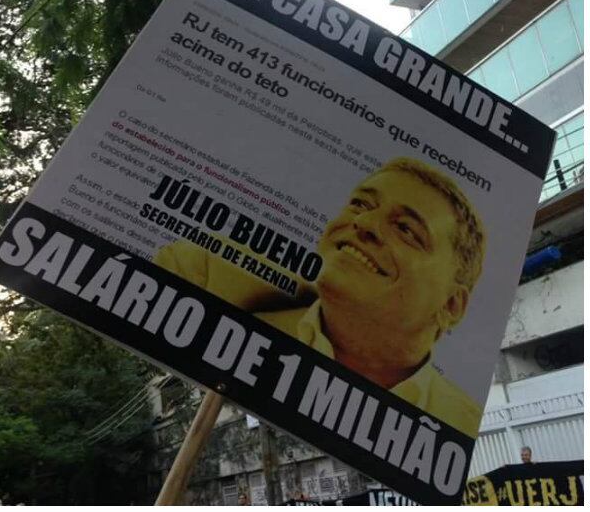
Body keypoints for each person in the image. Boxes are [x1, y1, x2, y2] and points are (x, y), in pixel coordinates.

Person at [154, 157, 486, 438]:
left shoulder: (457, 428)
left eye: (406, 230)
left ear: (451, 305)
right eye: (361, 204)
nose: (364, 222)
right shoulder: (216, 307)